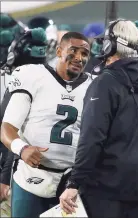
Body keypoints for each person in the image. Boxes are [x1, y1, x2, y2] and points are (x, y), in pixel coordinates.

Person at [59, 19, 138, 218]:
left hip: (104, 193)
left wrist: (75, 183)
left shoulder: (105, 83)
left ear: (110, 45)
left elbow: (92, 138)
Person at [0, 31, 91, 217]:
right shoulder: (32, 75)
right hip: (31, 179)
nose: (79, 58)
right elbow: (7, 128)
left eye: (84, 54)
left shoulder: (94, 85)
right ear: (58, 52)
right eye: (73, 51)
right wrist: (22, 148)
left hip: (72, 184)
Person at [0, 28, 48, 207]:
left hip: (18, 167)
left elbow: (11, 133)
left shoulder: (17, 79)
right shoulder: (50, 79)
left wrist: (4, 177)